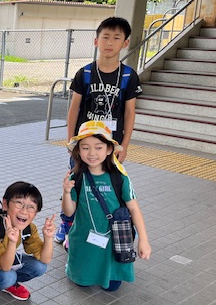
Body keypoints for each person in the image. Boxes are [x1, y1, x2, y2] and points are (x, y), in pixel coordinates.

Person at [56, 17, 143, 245]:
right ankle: (67, 225)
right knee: (74, 183)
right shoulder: (85, 73)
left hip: (110, 147)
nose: (109, 43)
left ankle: (103, 227)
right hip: (84, 145)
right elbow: (74, 109)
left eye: (116, 38)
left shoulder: (128, 76)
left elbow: (130, 113)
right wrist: (71, 142)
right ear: (96, 41)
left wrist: (125, 145)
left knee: (109, 186)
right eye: (105, 37)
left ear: (125, 43)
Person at [62, 121, 151, 290]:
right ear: (78, 151)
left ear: (109, 149)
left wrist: (143, 240)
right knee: (81, 283)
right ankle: (73, 252)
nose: (92, 153)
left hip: (112, 240)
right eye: (85, 147)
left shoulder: (120, 177)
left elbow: (134, 209)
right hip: (84, 238)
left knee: (112, 286)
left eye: (98, 147)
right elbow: (68, 212)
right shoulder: (76, 177)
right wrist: (66, 192)